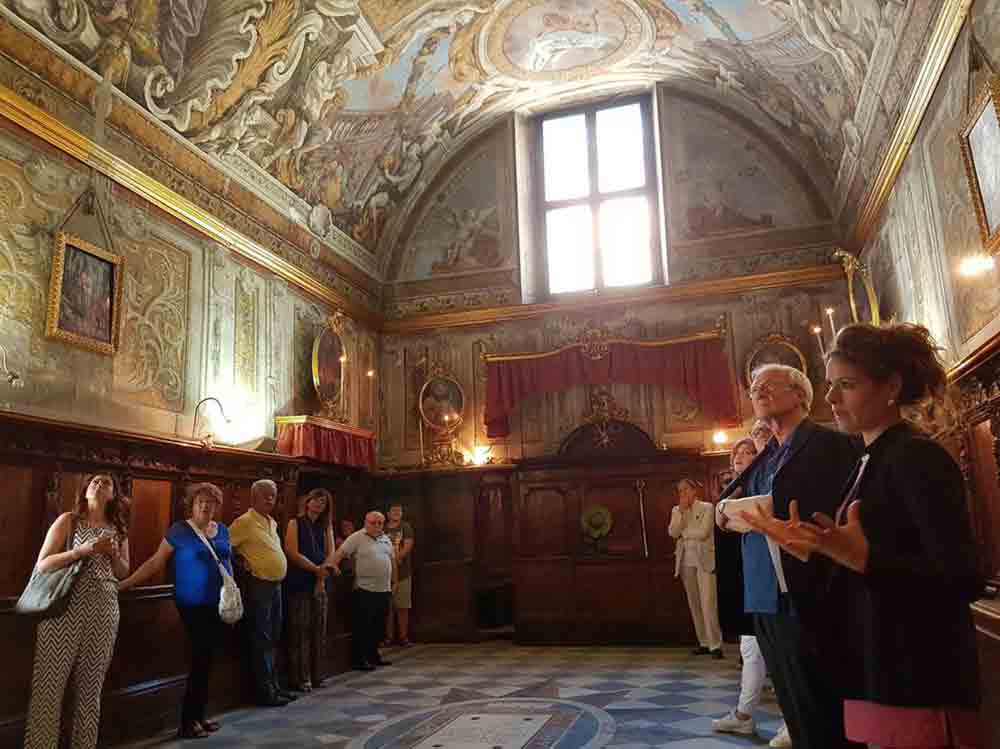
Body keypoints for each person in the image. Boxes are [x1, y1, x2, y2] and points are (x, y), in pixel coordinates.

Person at [744, 324, 984, 749]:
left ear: (891, 386)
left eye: (847, 386)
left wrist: (862, 558)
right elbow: (865, 555)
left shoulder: (915, 455)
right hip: (876, 663)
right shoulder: (870, 457)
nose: (832, 399)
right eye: (831, 385)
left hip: (918, 675)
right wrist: (817, 549)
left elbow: (963, 577)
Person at [717, 363, 861, 749]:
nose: (758, 392)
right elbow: (734, 499)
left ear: (800, 394)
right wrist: (725, 512)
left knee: (826, 709)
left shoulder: (831, 444)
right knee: (795, 706)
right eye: (754, 388)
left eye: (769, 386)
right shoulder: (767, 455)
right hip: (766, 595)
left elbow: (847, 512)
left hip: (811, 592)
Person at [24, 474, 130, 749]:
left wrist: (113, 554)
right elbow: (43, 565)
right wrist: (83, 550)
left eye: (107, 483)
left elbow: (122, 572)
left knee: (90, 691)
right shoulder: (68, 521)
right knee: (48, 689)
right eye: (94, 481)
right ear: (85, 492)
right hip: (63, 608)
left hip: (104, 611)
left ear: (114, 495)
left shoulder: (118, 529)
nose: (99, 484)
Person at [119, 482, 232, 739]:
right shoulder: (180, 531)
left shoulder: (223, 529)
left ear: (216, 506)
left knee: (207, 660)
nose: (205, 506)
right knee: (199, 658)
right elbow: (156, 561)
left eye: (210, 502)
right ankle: (187, 722)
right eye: (200, 501)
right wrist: (126, 584)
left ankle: (200, 715)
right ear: (191, 505)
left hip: (218, 604)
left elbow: (227, 561)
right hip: (191, 604)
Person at [230, 479, 294, 706]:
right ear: (253, 497)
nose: (270, 499)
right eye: (265, 494)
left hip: (276, 587)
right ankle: (265, 692)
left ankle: (275, 686)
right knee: (262, 639)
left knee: (274, 637)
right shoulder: (244, 522)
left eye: (273, 495)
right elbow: (224, 547)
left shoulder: (271, 522)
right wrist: (241, 563)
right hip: (259, 587)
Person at [284, 488, 336, 692]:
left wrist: (323, 573)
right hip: (301, 582)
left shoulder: (326, 526)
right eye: (315, 500)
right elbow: (291, 551)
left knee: (319, 630)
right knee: (300, 632)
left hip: (321, 582)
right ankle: (300, 678)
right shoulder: (295, 523)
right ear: (307, 501)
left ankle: (317, 675)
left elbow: (332, 552)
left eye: (323, 502)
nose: (318, 504)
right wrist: (316, 570)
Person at [329, 511, 396, 671]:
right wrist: (333, 565)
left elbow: (392, 561)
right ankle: (359, 659)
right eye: (373, 522)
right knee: (363, 626)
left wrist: (395, 582)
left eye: (380, 523)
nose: (377, 525)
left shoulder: (386, 539)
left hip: (384, 589)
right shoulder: (357, 537)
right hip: (364, 589)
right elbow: (340, 553)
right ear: (366, 522)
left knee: (378, 626)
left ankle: (373, 655)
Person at [669, 478, 723, 659]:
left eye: (685, 489)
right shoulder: (677, 510)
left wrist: (685, 534)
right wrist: (683, 515)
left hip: (705, 560)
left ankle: (716, 645)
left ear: (694, 491)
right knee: (695, 604)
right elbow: (673, 532)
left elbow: (704, 532)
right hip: (686, 561)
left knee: (708, 603)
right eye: (679, 490)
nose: (682, 493)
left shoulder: (707, 507)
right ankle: (704, 643)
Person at [384, 501, 415, 647]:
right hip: (384, 574)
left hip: (403, 572)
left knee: (403, 606)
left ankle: (403, 637)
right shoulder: (382, 527)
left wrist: (397, 558)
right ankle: (388, 637)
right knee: (387, 608)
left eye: (399, 511)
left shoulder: (405, 527)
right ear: (388, 513)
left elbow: (408, 545)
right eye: (394, 510)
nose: (397, 513)